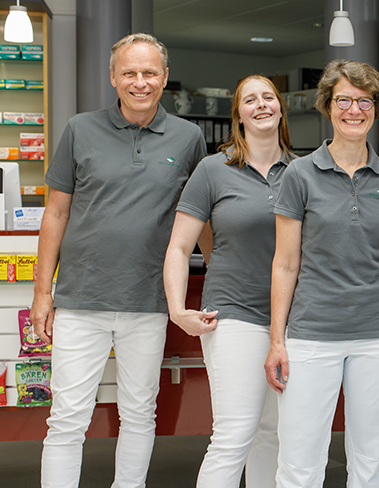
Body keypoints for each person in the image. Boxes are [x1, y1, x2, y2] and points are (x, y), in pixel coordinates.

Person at [30, 33, 206, 487]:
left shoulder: (189, 138)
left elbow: (201, 216)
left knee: (138, 413)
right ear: (113, 77)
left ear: (164, 78)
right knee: (67, 416)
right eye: (129, 72)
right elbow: (56, 212)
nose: (140, 82)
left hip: (148, 300)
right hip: (80, 298)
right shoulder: (80, 129)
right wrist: (41, 292)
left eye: (149, 73)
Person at [264, 59, 379, 488]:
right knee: (299, 461)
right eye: (344, 101)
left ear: (377, 107)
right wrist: (277, 341)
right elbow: (285, 263)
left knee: (373, 463)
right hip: (312, 334)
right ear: (328, 106)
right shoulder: (298, 174)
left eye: (365, 101)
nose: (355, 110)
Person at [164, 74, 293, 487]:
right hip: (234, 314)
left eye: (268, 97)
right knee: (235, 433)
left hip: (292, 320)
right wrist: (177, 309)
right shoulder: (213, 170)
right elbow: (180, 248)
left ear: (280, 106)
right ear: (238, 113)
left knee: (273, 434)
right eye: (250, 100)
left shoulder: (303, 171)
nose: (261, 105)